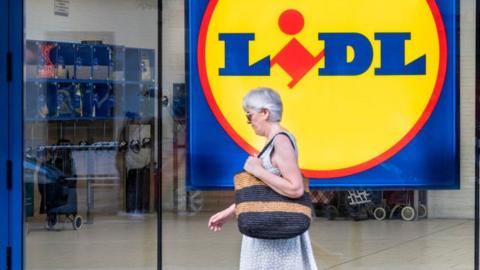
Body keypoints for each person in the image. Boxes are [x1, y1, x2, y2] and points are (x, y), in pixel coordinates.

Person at [208, 87, 318, 270]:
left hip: (275, 237)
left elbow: (295, 188)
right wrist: (230, 211)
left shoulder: (280, 141)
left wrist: (257, 171)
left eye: (249, 116)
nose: (249, 122)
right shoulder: (275, 141)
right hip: (271, 231)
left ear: (265, 113)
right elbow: (266, 191)